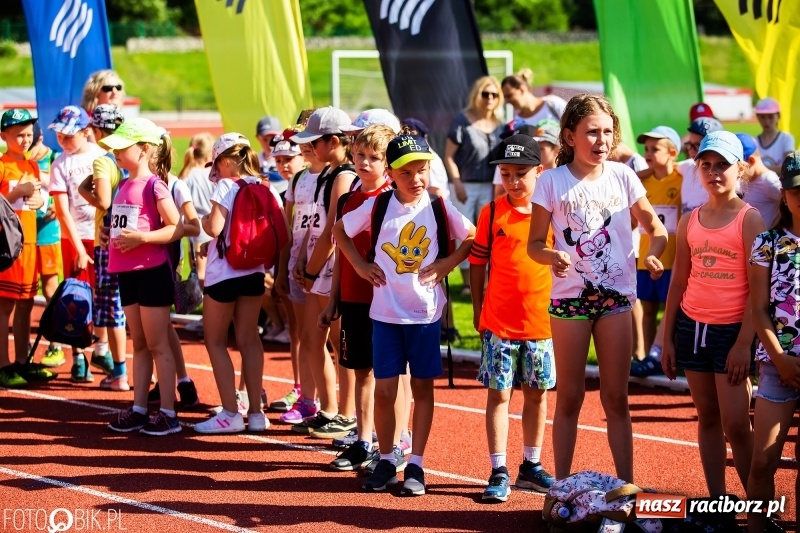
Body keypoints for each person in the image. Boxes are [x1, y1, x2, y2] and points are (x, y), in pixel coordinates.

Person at [528, 94, 668, 482]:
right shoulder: (551, 181)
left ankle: (627, 485)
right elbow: (534, 245)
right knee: (570, 397)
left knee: (616, 399)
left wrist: (654, 254)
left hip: (617, 299)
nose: (601, 140)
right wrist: (552, 255)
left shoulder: (623, 176)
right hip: (570, 300)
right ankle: (561, 487)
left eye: (608, 132)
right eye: (592, 132)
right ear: (570, 136)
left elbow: (655, 227)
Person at [333, 134, 475, 495]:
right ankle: (385, 458)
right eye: (407, 172)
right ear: (392, 174)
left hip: (425, 316)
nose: (416, 179)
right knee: (384, 391)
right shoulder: (378, 206)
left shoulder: (439, 207)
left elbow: (473, 237)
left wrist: (447, 263)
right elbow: (340, 231)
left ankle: (416, 464)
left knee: (422, 389)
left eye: (422, 170)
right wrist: (361, 267)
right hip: (384, 315)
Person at [661, 131, 764, 497]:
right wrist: (666, 338)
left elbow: (759, 292)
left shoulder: (750, 221)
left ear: (740, 170)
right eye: (706, 164)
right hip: (692, 328)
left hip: (732, 332)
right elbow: (678, 282)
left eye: (722, 165)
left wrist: (743, 344)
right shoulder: (690, 220)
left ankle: (758, 504)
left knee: (736, 424)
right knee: (707, 417)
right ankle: (717, 500)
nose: (713, 172)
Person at [470, 134, 556, 502]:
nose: (513, 181)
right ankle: (499, 468)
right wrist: (478, 309)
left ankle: (531, 466)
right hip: (499, 324)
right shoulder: (491, 214)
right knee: (499, 396)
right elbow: (477, 263)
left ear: (540, 170)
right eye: (506, 174)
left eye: (521, 173)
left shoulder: (552, 213)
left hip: (542, 324)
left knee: (537, 397)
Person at [193, 133, 285, 434]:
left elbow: (215, 226)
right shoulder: (265, 185)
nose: (215, 170)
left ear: (228, 159)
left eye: (217, 163)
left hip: (225, 274)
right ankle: (256, 413)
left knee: (215, 341)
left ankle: (230, 412)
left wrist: (204, 223)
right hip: (255, 271)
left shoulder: (225, 186)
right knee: (249, 339)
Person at [101, 117, 184, 436]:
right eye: (115, 148)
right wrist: (110, 233)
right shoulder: (121, 184)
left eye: (123, 147)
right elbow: (125, 226)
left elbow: (176, 226)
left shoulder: (155, 185)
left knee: (158, 343)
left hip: (152, 272)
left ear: (145, 149)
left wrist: (142, 239)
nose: (116, 153)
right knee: (139, 344)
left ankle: (168, 413)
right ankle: (138, 409)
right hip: (126, 273)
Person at [320, 124, 395, 472]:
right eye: (360, 156)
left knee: (393, 374)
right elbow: (339, 251)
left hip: (388, 302)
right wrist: (333, 298)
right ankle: (363, 441)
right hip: (352, 297)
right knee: (361, 371)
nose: (365, 163)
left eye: (374, 158)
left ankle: (394, 441)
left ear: (388, 163)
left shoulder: (394, 198)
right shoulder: (349, 198)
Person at [290, 107, 358, 439]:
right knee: (313, 339)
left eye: (314, 142)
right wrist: (302, 260)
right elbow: (316, 222)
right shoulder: (326, 174)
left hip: (332, 269)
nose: (310, 149)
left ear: (332, 141)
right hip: (317, 267)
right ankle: (329, 408)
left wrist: (313, 270)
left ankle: (346, 413)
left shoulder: (344, 175)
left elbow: (334, 228)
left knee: (339, 343)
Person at [747, 151, 800, 533]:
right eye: (797, 190)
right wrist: (780, 359)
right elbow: (759, 309)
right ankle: (759, 527)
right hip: (776, 366)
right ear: (784, 195)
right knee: (763, 461)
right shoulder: (767, 243)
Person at [48, 105, 107, 383]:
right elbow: (62, 211)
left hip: (101, 236)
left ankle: (102, 348)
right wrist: (80, 249)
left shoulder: (101, 157)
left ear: (86, 132)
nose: (62, 140)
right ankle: (78, 358)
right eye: (59, 135)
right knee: (76, 298)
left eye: (68, 136)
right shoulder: (60, 164)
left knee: (103, 295)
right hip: (75, 239)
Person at [76, 104, 129, 391]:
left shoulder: (102, 161)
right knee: (128, 306)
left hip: (107, 242)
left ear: (96, 131)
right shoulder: (127, 160)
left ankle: (120, 371)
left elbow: (105, 201)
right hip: (129, 239)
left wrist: (85, 192)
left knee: (111, 310)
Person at [629, 126, 682, 378]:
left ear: (672, 152)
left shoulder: (682, 181)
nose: (648, 153)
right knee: (648, 309)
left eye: (655, 149)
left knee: (671, 311)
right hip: (646, 255)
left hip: (672, 257)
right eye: (646, 149)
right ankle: (648, 356)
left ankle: (669, 358)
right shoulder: (642, 181)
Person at [0, 109, 47, 388]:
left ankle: (21, 360)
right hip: (8, 244)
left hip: (30, 240)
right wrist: (18, 192)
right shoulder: (2, 165)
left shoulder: (32, 166)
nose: (25, 140)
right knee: (4, 305)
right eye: (19, 135)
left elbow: (37, 197)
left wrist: (39, 199)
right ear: (4, 136)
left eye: (29, 134)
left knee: (27, 303)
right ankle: (3, 364)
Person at [444, 76, 503, 296]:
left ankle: (487, 281)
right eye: (485, 93)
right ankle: (468, 284)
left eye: (494, 94)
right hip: (465, 185)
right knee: (464, 233)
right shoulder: (462, 120)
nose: (489, 98)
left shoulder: (501, 124)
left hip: (491, 186)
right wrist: (457, 182)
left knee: (487, 233)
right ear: (477, 95)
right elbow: (448, 156)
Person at [29, 121, 65, 368]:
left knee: (50, 288)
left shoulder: (54, 158)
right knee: (26, 293)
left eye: (30, 139)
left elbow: (70, 191)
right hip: (23, 233)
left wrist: (57, 205)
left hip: (48, 234)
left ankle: (56, 345)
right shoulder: (17, 159)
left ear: (39, 139)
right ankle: (25, 351)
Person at [180, 132, 215, 337]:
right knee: (209, 272)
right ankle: (210, 315)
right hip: (211, 226)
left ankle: (209, 316)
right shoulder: (210, 174)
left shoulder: (187, 175)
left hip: (196, 229)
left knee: (201, 274)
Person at [737, 133, 782, 229]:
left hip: (764, 241)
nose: (737, 173)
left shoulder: (768, 181)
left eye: (739, 168)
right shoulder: (745, 180)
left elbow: (789, 205)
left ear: (751, 161)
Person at [500, 69, 566, 126]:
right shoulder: (516, 122)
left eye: (509, 96)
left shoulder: (553, 104)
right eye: (505, 97)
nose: (507, 101)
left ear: (522, 89)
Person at [753, 97, 795, 174]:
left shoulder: (786, 139)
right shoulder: (754, 141)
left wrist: (758, 168)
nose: (766, 121)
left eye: (771, 117)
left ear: (778, 116)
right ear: (758, 117)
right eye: (762, 117)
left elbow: (789, 167)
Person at [255, 115, 286, 194]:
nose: (269, 144)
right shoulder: (254, 162)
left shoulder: (288, 160)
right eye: (265, 139)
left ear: (282, 135)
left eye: (274, 138)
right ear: (258, 138)